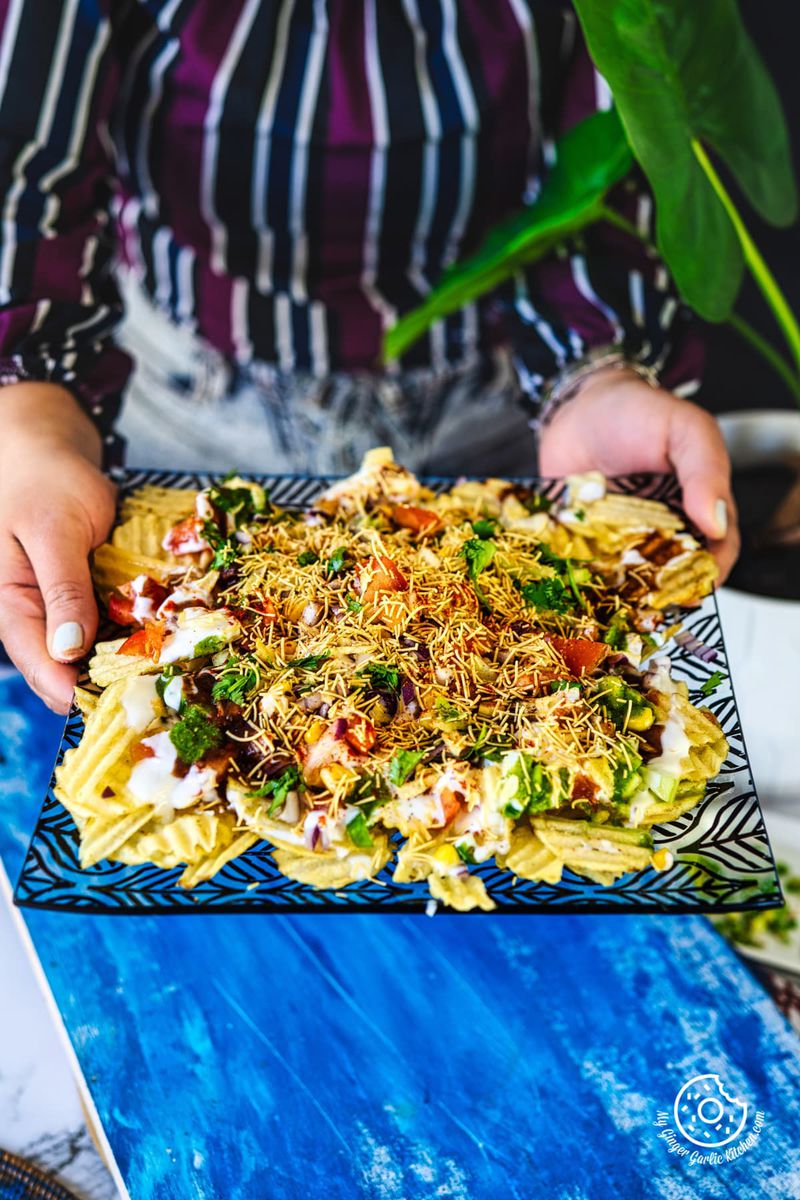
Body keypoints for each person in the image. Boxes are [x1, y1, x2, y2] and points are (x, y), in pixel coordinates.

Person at [0, 1, 738, 715]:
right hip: (190, 404)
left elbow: (614, 141)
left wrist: (596, 369)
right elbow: (21, 160)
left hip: (504, 410)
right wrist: (25, 404)